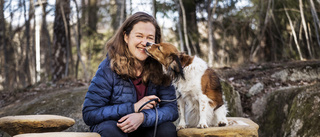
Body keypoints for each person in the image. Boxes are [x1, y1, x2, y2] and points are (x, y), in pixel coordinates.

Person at [82, 12, 179, 137]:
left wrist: (143, 117)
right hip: (117, 127)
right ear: (126, 37)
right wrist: (133, 108)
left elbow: (171, 109)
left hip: (146, 126)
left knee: (167, 129)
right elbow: (90, 113)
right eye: (139, 36)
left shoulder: (162, 68)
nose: (145, 43)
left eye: (150, 38)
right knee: (110, 130)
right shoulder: (108, 67)